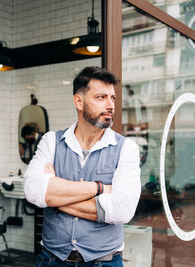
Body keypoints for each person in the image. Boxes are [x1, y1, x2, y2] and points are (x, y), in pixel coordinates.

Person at [24, 66, 141, 266]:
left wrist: (55, 198)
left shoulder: (126, 148)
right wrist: (99, 189)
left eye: (112, 98)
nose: (110, 105)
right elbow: (33, 190)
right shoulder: (52, 141)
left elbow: (122, 210)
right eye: (101, 97)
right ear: (78, 101)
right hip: (52, 259)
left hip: (103, 262)